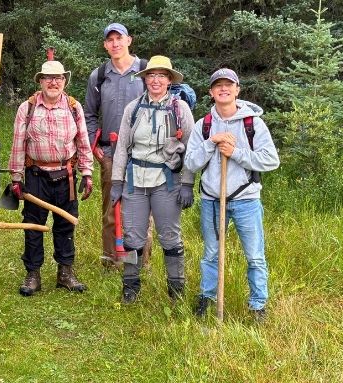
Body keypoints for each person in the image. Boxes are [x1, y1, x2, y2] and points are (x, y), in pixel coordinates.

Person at [183, 68, 280, 322]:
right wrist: (211, 142)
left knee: (255, 256)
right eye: (218, 86)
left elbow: (271, 160)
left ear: (237, 90)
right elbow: (191, 162)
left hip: (246, 199)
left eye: (229, 85)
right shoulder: (203, 125)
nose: (223, 89)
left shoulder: (253, 124)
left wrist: (235, 152)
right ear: (211, 92)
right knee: (211, 254)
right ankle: (207, 297)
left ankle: (258, 305)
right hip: (212, 200)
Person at [110, 55, 195, 304]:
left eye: (161, 75)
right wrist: (117, 182)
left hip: (166, 182)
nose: (156, 80)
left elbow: (191, 148)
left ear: (169, 80)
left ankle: (176, 291)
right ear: (144, 78)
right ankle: (130, 287)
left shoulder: (180, 109)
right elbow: (122, 147)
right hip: (134, 181)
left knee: (170, 237)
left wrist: (188, 183)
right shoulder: (133, 108)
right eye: (151, 75)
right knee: (132, 237)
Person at [8, 61, 95, 296]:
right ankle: (33, 274)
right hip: (36, 175)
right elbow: (18, 145)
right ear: (40, 81)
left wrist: (86, 173)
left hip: (65, 175)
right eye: (48, 78)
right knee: (33, 225)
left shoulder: (74, 108)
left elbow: (83, 143)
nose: (54, 82)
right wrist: (16, 178)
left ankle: (65, 273)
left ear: (65, 81)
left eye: (58, 78)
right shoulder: (27, 109)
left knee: (65, 225)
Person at [84, 22, 155, 268]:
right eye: (110, 40)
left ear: (129, 41)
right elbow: (89, 114)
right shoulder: (99, 75)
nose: (115, 43)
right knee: (111, 206)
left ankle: (141, 260)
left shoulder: (146, 71)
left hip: (143, 153)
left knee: (142, 208)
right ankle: (111, 259)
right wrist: (95, 147)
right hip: (110, 153)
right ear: (105, 45)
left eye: (119, 38)